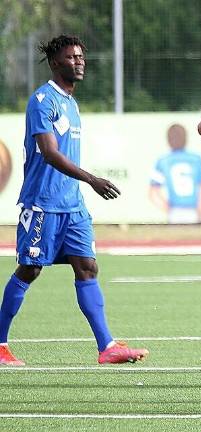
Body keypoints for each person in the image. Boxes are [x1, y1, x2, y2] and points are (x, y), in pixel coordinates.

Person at [0, 35, 148, 366]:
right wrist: (92, 179)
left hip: (72, 205)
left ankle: (106, 346)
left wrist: (83, 187)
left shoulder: (71, 102)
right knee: (30, 269)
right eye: (70, 57)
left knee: (87, 266)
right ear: (55, 63)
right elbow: (50, 153)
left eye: (81, 56)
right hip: (42, 202)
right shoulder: (44, 100)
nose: (78, 61)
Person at [149, 124, 201, 223]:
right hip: (192, 211)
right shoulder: (196, 159)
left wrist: (168, 208)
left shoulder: (163, 161)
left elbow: (153, 192)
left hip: (174, 212)